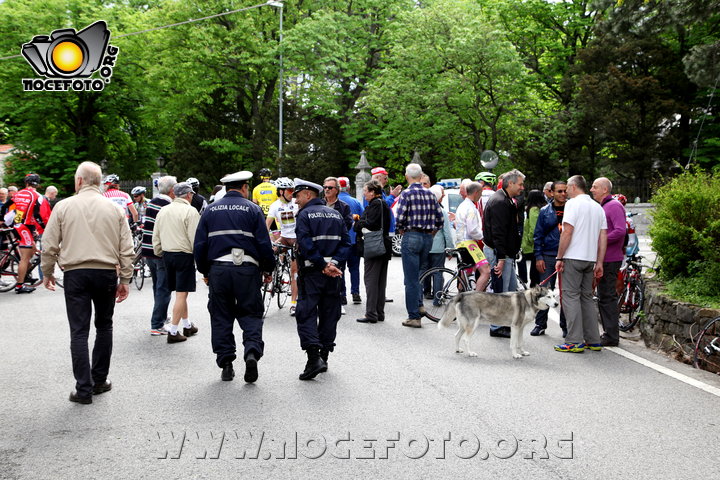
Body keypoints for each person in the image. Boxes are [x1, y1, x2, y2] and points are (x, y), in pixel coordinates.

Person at [41, 161, 134, 404]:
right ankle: (100, 380)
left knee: (79, 331)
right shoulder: (114, 209)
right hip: (105, 272)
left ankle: (83, 389)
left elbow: (49, 243)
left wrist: (47, 272)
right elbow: (127, 247)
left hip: (76, 273)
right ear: (99, 181)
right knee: (104, 326)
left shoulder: (63, 206)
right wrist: (125, 278)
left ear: (79, 181)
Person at [194, 171, 276, 383]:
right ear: (245, 188)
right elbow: (263, 243)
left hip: (219, 270)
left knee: (221, 315)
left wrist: (205, 271)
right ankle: (251, 352)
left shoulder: (210, 210)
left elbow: (200, 245)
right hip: (247, 270)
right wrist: (268, 269)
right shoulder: (253, 209)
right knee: (251, 313)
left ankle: (227, 363)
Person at [293, 178, 350, 380]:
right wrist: (332, 263)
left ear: (308, 194)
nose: (296, 201)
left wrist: (322, 264)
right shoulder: (336, 214)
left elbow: (305, 244)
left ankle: (313, 358)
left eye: (298, 196)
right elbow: (346, 243)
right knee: (329, 313)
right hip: (333, 274)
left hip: (312, 272)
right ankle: (324, 357)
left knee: (306, 313)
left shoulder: (304, 214)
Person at [554, 175, 607, 353]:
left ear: (574, 187)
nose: (566, 191)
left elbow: (567, 232)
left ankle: (574, 340)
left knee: (570, 297)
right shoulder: (597, 207)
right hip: (590, 258)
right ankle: (593, 339)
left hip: (573, 256)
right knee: (587, 298)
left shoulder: (572, 204)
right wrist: (599, 261)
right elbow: (603, 236)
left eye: (567, 187)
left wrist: (559, 257)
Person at [394, 163, 444, 328]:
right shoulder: (430, 194)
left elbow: (399, 217)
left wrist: (401, 230)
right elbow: (440, 219)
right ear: (421, 175)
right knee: (420, 274)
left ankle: (414, 316)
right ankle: (419, 305)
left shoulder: (406, 194)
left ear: (407, 176)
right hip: (427, 238)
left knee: (410, 279)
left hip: (412, 235)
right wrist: (432, 233)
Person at [153, 182, 201, 344]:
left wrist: (159, 251)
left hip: (167, 254)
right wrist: (199, 257)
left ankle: (187, 324)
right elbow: (195, 238)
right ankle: (173, 331)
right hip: (183, 255)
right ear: (188, 195)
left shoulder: (163, 210)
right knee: (182, 293)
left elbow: (156, 235)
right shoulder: (190, 211)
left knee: (180, 292)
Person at [482, 169, 525, 338]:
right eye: (520, 184)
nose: (522, 187)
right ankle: (496, 326)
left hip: (505, 253)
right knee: (502, 291)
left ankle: (503, 323)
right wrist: (501, 258)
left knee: (510, 289)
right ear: (511, 183)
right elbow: (498, 233)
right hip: (500, 253)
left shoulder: (504, 199)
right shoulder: (500, 201)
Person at [591, 177, 627, 347]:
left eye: (595, 187)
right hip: (606, 257)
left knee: (607, 297)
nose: (592, 190)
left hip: (610, 259)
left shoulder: (613, 206)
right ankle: (609, 333)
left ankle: (611, 335)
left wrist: (599, 241)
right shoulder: (606, 206)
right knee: (604, 296)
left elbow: (620, 231)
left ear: (605, 189)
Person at [531, 181, 568, 337]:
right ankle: (540, 324)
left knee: (567, 292)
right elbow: (538, 235)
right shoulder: (545, 211)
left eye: (565, 191)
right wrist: (538, 256)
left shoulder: (572, 209)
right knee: (545, 290)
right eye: (559, 191)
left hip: (567, 255)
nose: (562, 194)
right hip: (548, 255)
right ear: (552, 193)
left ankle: (566, 326)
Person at [141, 176, 176, 336]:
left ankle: (161, 316)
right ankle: (157, 324)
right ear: (171, 190)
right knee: (164, 288)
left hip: (148, 250)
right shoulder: (168, 205)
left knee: (158, 286)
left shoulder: (152, 202)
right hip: (160, 251)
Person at [354, 180, 392, 324]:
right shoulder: (384, 204)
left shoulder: (375, 205)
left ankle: (371, 313)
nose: (364, 194)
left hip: (374, 245)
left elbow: (371, 223)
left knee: (370, 280)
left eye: (365, 191)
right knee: (380, 282)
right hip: (384, 245)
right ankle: (379, 312)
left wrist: (357, 222)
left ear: (372, 192)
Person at [266, 177, 299, 315]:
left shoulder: (297, 204)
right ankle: (274, 274)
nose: (292, 193)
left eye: (293, 190)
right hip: (284, 237)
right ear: (281, 192)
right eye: (289, 190)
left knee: (294, 271)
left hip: (296, 238)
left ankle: (293, 303)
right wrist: (269, 239)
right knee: (269, 252)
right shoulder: (274, 206)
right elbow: (266, 226)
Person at [12, 173, 50, 293]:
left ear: (26, 182)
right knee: (25, 258)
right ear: (37, 184)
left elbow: (10, 209)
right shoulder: (37, 196)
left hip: (18, 225)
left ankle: (25, 276)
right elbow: (39, 215)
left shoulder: (18, 193)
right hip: (24, 227)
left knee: (33, 251)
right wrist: (45, 227)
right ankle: (19, 285)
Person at [322, 176, 353, 314]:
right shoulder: (319, 204)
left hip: (337, 245)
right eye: (325, 187)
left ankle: (338, 301)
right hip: (321, 245)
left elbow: (348, 224)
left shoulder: (343, 207)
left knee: (338, 272)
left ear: (337, 190)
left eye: (330, 187)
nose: (327, 190)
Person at [453, 182, 491, 292]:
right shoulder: (471, 208)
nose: (481, 195)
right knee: (486, 271)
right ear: (476, 192)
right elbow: (473, 229)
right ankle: (476, 298)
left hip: (461, 242)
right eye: (481, 193)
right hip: (469, 243)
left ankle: (461, 295)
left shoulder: (463, 205)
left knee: (467, 271)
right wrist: (483, 237)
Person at [425, 184, 454, 302]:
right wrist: (450, 248)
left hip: (425, 246)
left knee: (424, 271)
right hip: (438, 248)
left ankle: (424, 294)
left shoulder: (423, 210)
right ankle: (437, 298)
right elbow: (447, 231)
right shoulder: (441, 211)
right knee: (437, 273)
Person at [337, 176, 364, 304]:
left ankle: (342, 294)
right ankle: (356, 292)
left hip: (339, 242)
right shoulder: (356, 202)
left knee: (339, 269)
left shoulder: (333, 202)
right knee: (354, 268)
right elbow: (363, 218)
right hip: (353, 241)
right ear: (348, 187)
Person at [518, 190, 546, 287]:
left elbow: (533, 228)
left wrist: (530, 239)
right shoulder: (541, 208)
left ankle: (532, 286)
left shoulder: (533, 209)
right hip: (536, 243)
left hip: (532, 244)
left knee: (534, 269)